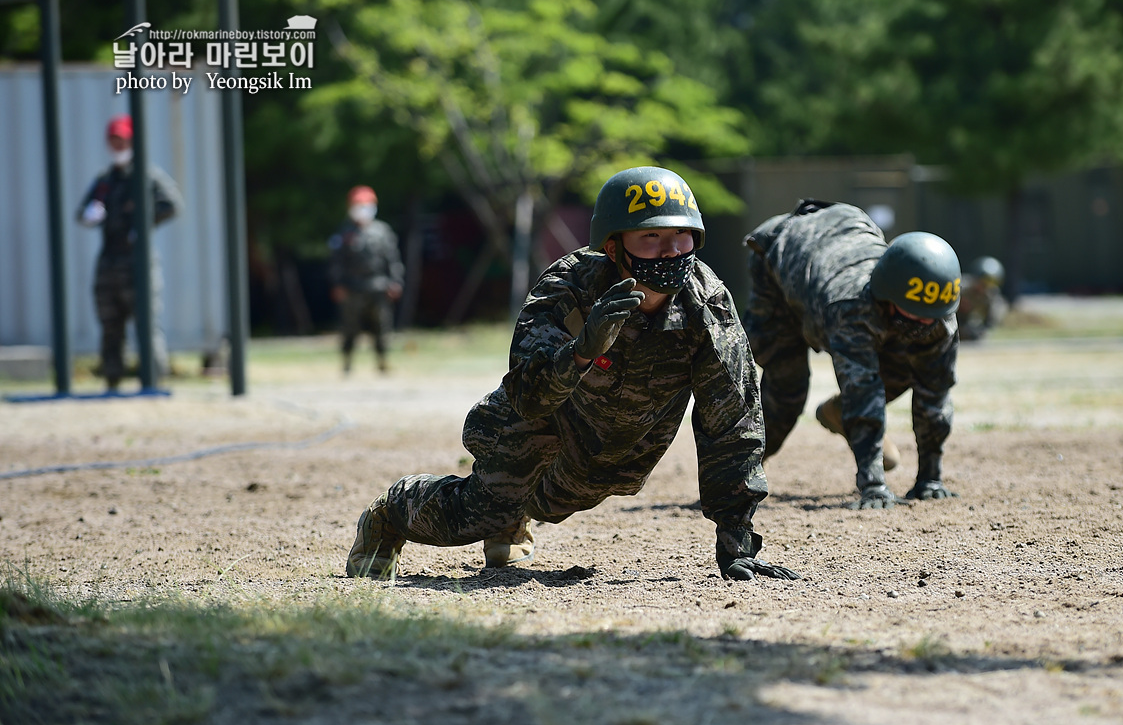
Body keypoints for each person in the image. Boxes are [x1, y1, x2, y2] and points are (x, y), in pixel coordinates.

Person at [346, 166, 800, 583]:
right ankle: (391, 513)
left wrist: (735, 541)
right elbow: (527, 395)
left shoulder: (707, 303)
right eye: (652, 237)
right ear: (613, 246)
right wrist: (581, 353)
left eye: (682, 236)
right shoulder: (569, 286)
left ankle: (513, 512)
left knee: (557, 503)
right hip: (529, 428)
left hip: (609, 454)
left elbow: (733, 422)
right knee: (476, 513)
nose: (670, 250)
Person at [742, 200, 961, 509]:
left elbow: (935, 392)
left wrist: (930, 479)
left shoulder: (937, 311)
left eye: (931, 316)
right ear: (887, 295)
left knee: (905, 369)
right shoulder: (851, 306)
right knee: (787, 386)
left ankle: (836, 411)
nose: (925, 323)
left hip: (842, 237)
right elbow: (862, 390)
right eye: (914, 314)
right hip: (781, 256)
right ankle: (733, 477)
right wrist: (873, 486)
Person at [75, 114, 183, 392]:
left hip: (138, 263)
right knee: (110, 326)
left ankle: (154, 382)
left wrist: (144, 223)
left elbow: (172, 204)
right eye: (113, 140)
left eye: (121, 139)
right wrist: (91, 215)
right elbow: (82, 213)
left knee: (146, 325)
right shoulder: (105, 179)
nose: (117, 145)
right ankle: (112, 382)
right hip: (109, 263)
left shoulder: (146, 175)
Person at [328, 185, 404, 373]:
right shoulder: (344, 233)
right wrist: (337, 284)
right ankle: (347, 361)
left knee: (381, 326)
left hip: (378, 287)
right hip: (352, 288)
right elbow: (336, 262)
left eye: (367, 204)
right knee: (349, 327)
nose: (363, 209)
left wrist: (396, 281)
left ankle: (382, 360)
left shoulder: (382, 231)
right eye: (359, 204)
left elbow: (392, 259)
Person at [956, 256, 1008, 342]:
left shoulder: (992, 298)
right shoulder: (961, 289)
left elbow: (990, 323)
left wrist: (979, 331)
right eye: (983, 282)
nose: (986, 287)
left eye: (991, 283)